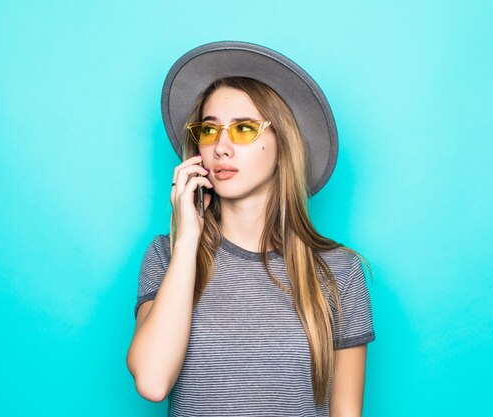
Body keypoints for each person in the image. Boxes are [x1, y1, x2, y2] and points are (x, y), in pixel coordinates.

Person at [126, 41, 375, 417]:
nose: (221, 148)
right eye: (209, 131)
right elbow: (152, 381)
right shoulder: (167, 255)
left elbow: (346, 412)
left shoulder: (339, 272)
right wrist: (188, 240)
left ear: (283, 143)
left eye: (243, 129)